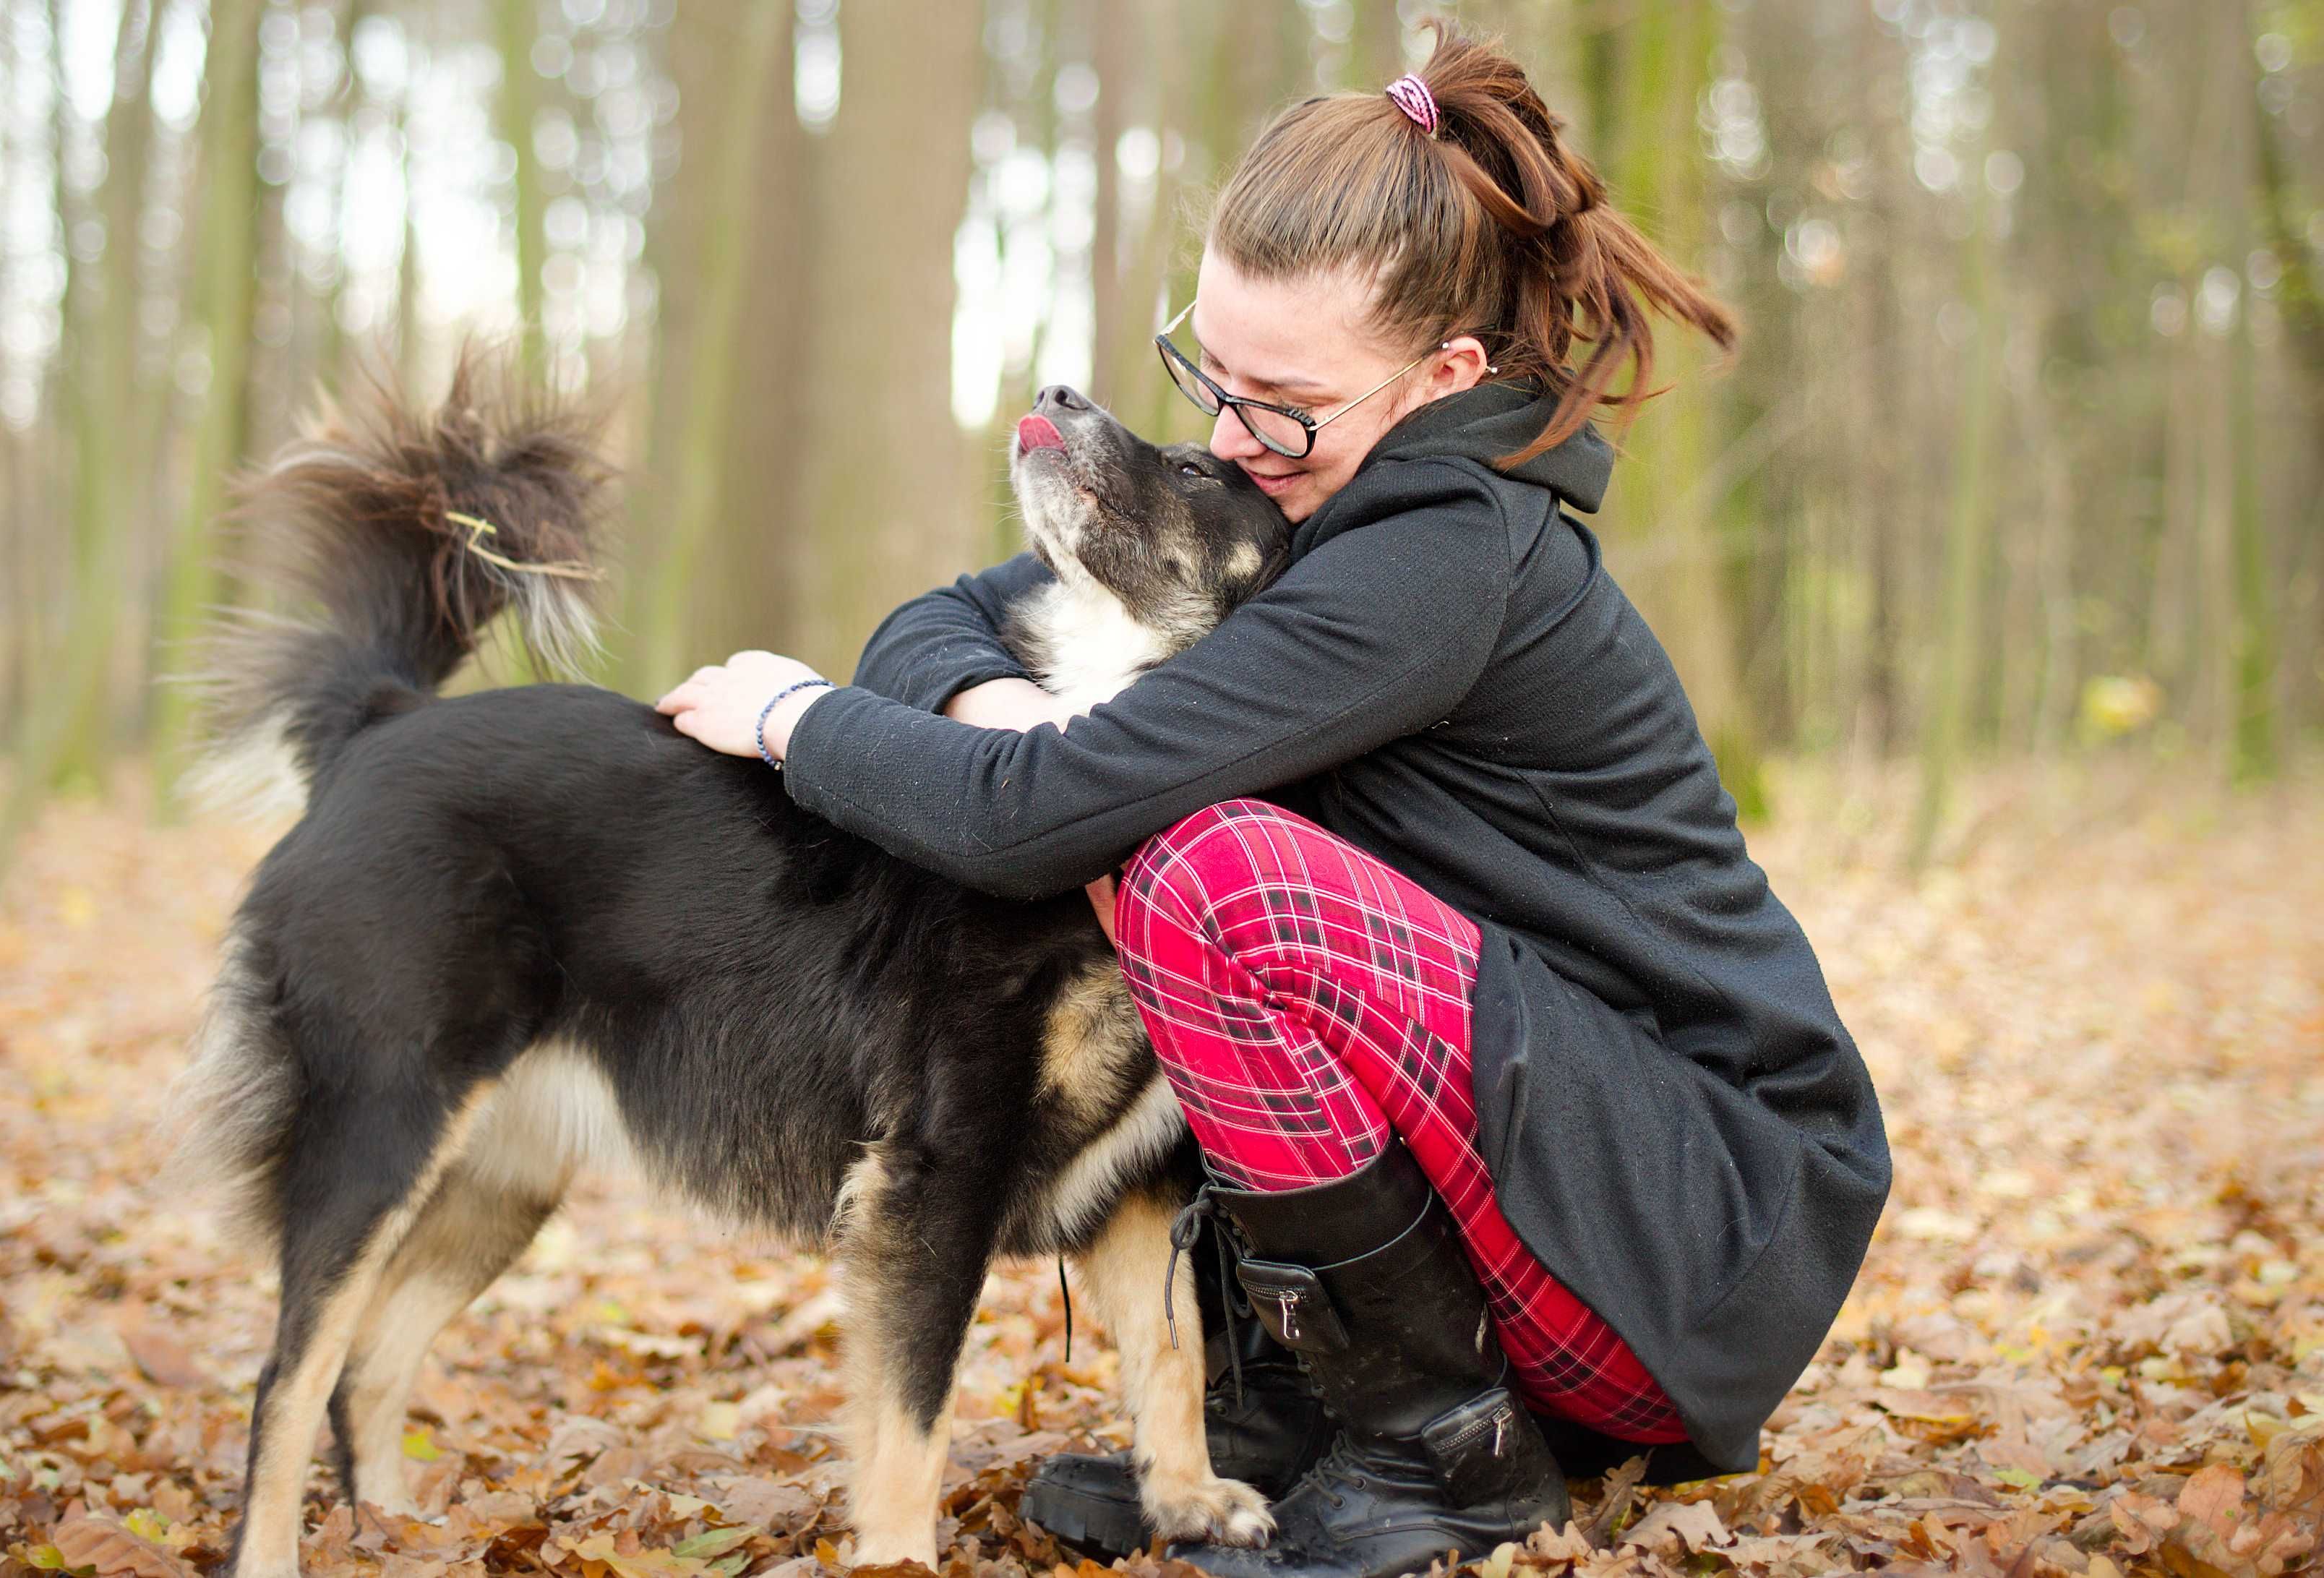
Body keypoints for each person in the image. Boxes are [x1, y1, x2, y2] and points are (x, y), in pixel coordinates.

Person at [654, 28, 1890, 1578]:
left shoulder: (1432, 558)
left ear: (1441, 378)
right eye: (1207, 374)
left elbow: (1027, 821)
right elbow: (943, 617)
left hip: (1684, 1231)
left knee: (1203, 872)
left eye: (1281, 401)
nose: (1230, 437)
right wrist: (1005, 704)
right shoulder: (1314, 492)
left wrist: (791, 720)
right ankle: (1293, 1413)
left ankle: (1438, 1451)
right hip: (1548, 1167)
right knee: (1170, 839)